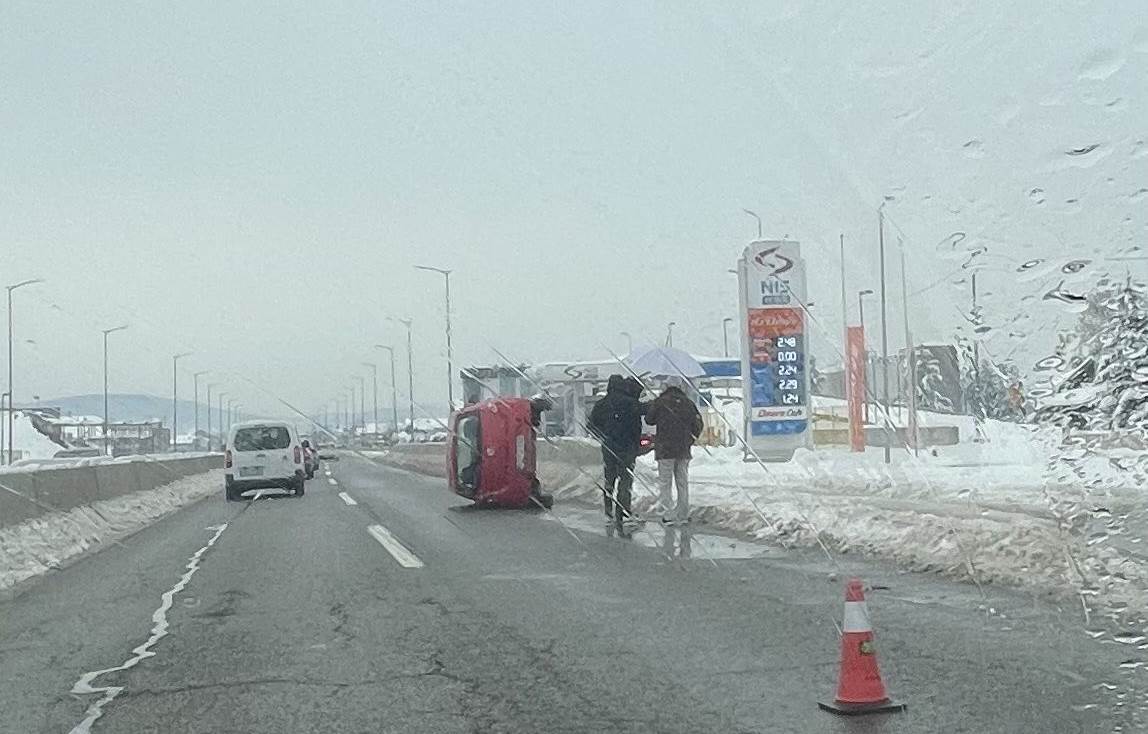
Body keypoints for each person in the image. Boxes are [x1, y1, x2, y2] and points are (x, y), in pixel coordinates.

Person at [644, 375, 703, 525]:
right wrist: (690, 439)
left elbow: (649, 420)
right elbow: (698, 423)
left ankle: (668, 514)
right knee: (682, 482)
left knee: (665, 482)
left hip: (665, 449)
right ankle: (683, 513)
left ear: (666, 386)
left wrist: (655, 404)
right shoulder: (688, 403)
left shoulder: (661, 402)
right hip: (683, 449)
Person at [588, 374, 643, 528]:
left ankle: (608, 511)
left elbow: (591, 425)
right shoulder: (629, 403)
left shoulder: (601, 404)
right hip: (627, 447)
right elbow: (638, 423)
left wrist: (604, 435)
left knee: (609, 478)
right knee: (625, 480)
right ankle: (623, 512)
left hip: (609, 446)